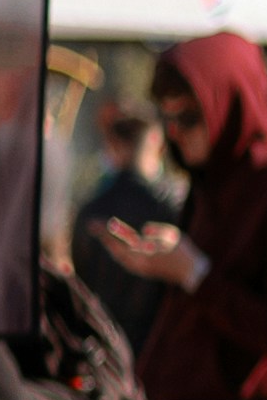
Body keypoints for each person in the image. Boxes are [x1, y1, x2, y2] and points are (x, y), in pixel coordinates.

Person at [105, 36, 267, 400]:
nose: (175, 134)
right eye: (167, 119)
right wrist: (158, 265)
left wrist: (193, 272)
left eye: (188, 117)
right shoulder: (208, 185)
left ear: (229, 106)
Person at [72, 86, 185, 356]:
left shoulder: (92, 211)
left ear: (114, 145)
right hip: (160, 351)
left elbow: (81, 289)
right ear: (157, 141)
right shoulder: (173, 210)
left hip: (105, 349)